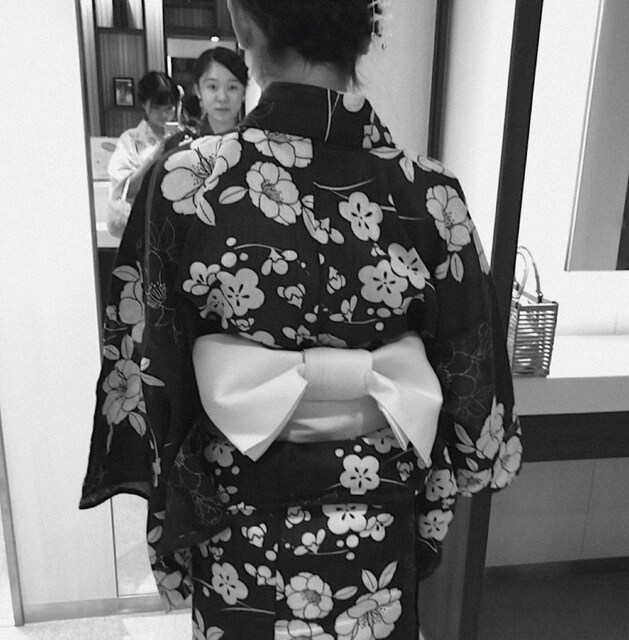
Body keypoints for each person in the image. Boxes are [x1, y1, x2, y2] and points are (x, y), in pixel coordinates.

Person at [80, 2, 522, 639]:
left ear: (244, 24)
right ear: (364, 34)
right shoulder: (430, 193)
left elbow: (149, 371)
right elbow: (472, 387)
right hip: (376, 517)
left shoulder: (187, 182)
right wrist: (445, 489)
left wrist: (173, 511)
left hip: (237, 517)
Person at [106, 71, 180, 237]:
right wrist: (154, 157)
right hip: (142, 227)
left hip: (174, 225)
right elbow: (124, 191)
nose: (164, 115)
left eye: (169, 108)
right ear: (144, 104)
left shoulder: (177, 138)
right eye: (156, 108)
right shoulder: (130, 139)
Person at [166, 47, 249, 151]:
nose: (222, 98)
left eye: (232, 87)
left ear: (244, 92)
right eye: (213, 87)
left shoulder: (258, 143)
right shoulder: (178, 146)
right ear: (198, 90)